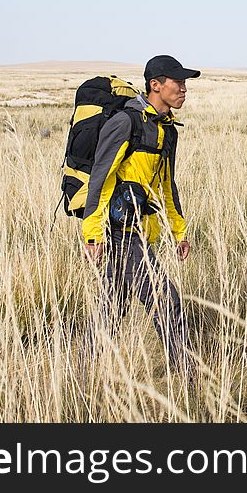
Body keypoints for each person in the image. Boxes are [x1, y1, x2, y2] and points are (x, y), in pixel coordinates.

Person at [82, 54, 200, 376]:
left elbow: (166, 185)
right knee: (167, 302)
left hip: (141, 230)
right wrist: (92, 234)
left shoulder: (167, 131)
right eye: (178, 82)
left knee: (112, 307)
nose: (184, 89)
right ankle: (187, 374)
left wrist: (179, 231)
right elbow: (100, 177)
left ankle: (83, 371)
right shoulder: (126, 123)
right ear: (155, 85)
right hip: (120, 231)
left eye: (185, 83)